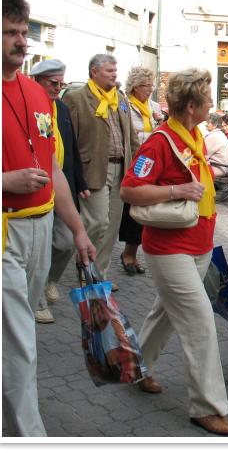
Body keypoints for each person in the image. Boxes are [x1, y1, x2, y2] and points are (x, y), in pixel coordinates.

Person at [120, 67, 228, 436]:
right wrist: (175, 192)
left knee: (165, 313)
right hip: (169, 248)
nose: (212, 105)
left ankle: (137, 368)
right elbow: (130, 189)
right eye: (207, 100)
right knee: (200, 321)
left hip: (197, 244)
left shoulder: (194, 134)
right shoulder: (160, 141)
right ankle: (206, 407)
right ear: (190, 106)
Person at [1, 0, 96, 437]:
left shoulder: (39, 97)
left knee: (15, 335)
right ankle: (26, 437)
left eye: (23, 32)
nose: (22, 42)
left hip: (41, 228)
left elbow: (53, 168)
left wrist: (77, 231)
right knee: (19, 340)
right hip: (1, 232)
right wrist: (4, 182)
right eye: (8, 33)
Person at [63, 54, 140, 289]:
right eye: (109, 71)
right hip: (93, 168)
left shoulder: (120, 99)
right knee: (97, 221)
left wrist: (138, 163)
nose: (114, 74)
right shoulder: (77, 98)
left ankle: (100, 273)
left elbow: (131, 137)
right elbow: (69, 139)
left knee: (112, 225)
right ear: (94, 72)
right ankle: (85, 265)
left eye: (115, 70)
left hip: (121, 168)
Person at [29, 59, 91, 324]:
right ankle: (38, 298)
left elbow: (72, 148)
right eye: (52, 83)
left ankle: (49, 280)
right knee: (41, 247)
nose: (57, 88)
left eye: (60, 83)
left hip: (62, 184)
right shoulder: (28, 106)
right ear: (37, 81)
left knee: (65, 241)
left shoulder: (62, 108)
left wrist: (81, 182)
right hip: (35, 187)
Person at [118, 66, 162, 276]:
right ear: (135, 87)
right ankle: (128, 254)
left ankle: (131, 253)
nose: (150, 90)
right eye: (147, 86)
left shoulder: (153, 107)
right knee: (130, 214)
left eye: (152, 85)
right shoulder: (124, 105)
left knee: (142, 213)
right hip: (132, 165)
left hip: (150, 166)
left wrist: (160, 120)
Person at [203, 113, 228, 178]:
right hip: (224, 168)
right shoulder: (220, 134)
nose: (206, 124)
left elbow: (203, 154)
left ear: (215, 125)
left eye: (208, 122)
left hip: (219, 169)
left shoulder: (213, 136)